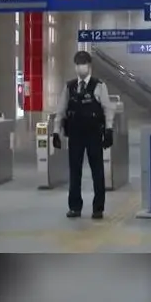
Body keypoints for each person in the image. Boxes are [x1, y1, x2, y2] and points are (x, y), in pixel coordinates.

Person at [52, 50, 115, 219]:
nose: (80, 67)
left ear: (89, 66)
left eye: (83, 63)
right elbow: (61, 110)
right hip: (75, 134)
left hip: (94, 133)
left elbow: (108, 109)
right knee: (75, 172)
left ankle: (98, 208)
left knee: (97, 171)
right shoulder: (69, 86)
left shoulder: (99, 85)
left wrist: (109, 129)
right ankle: (75, 207)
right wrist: (56, 132)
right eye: (78, 63)